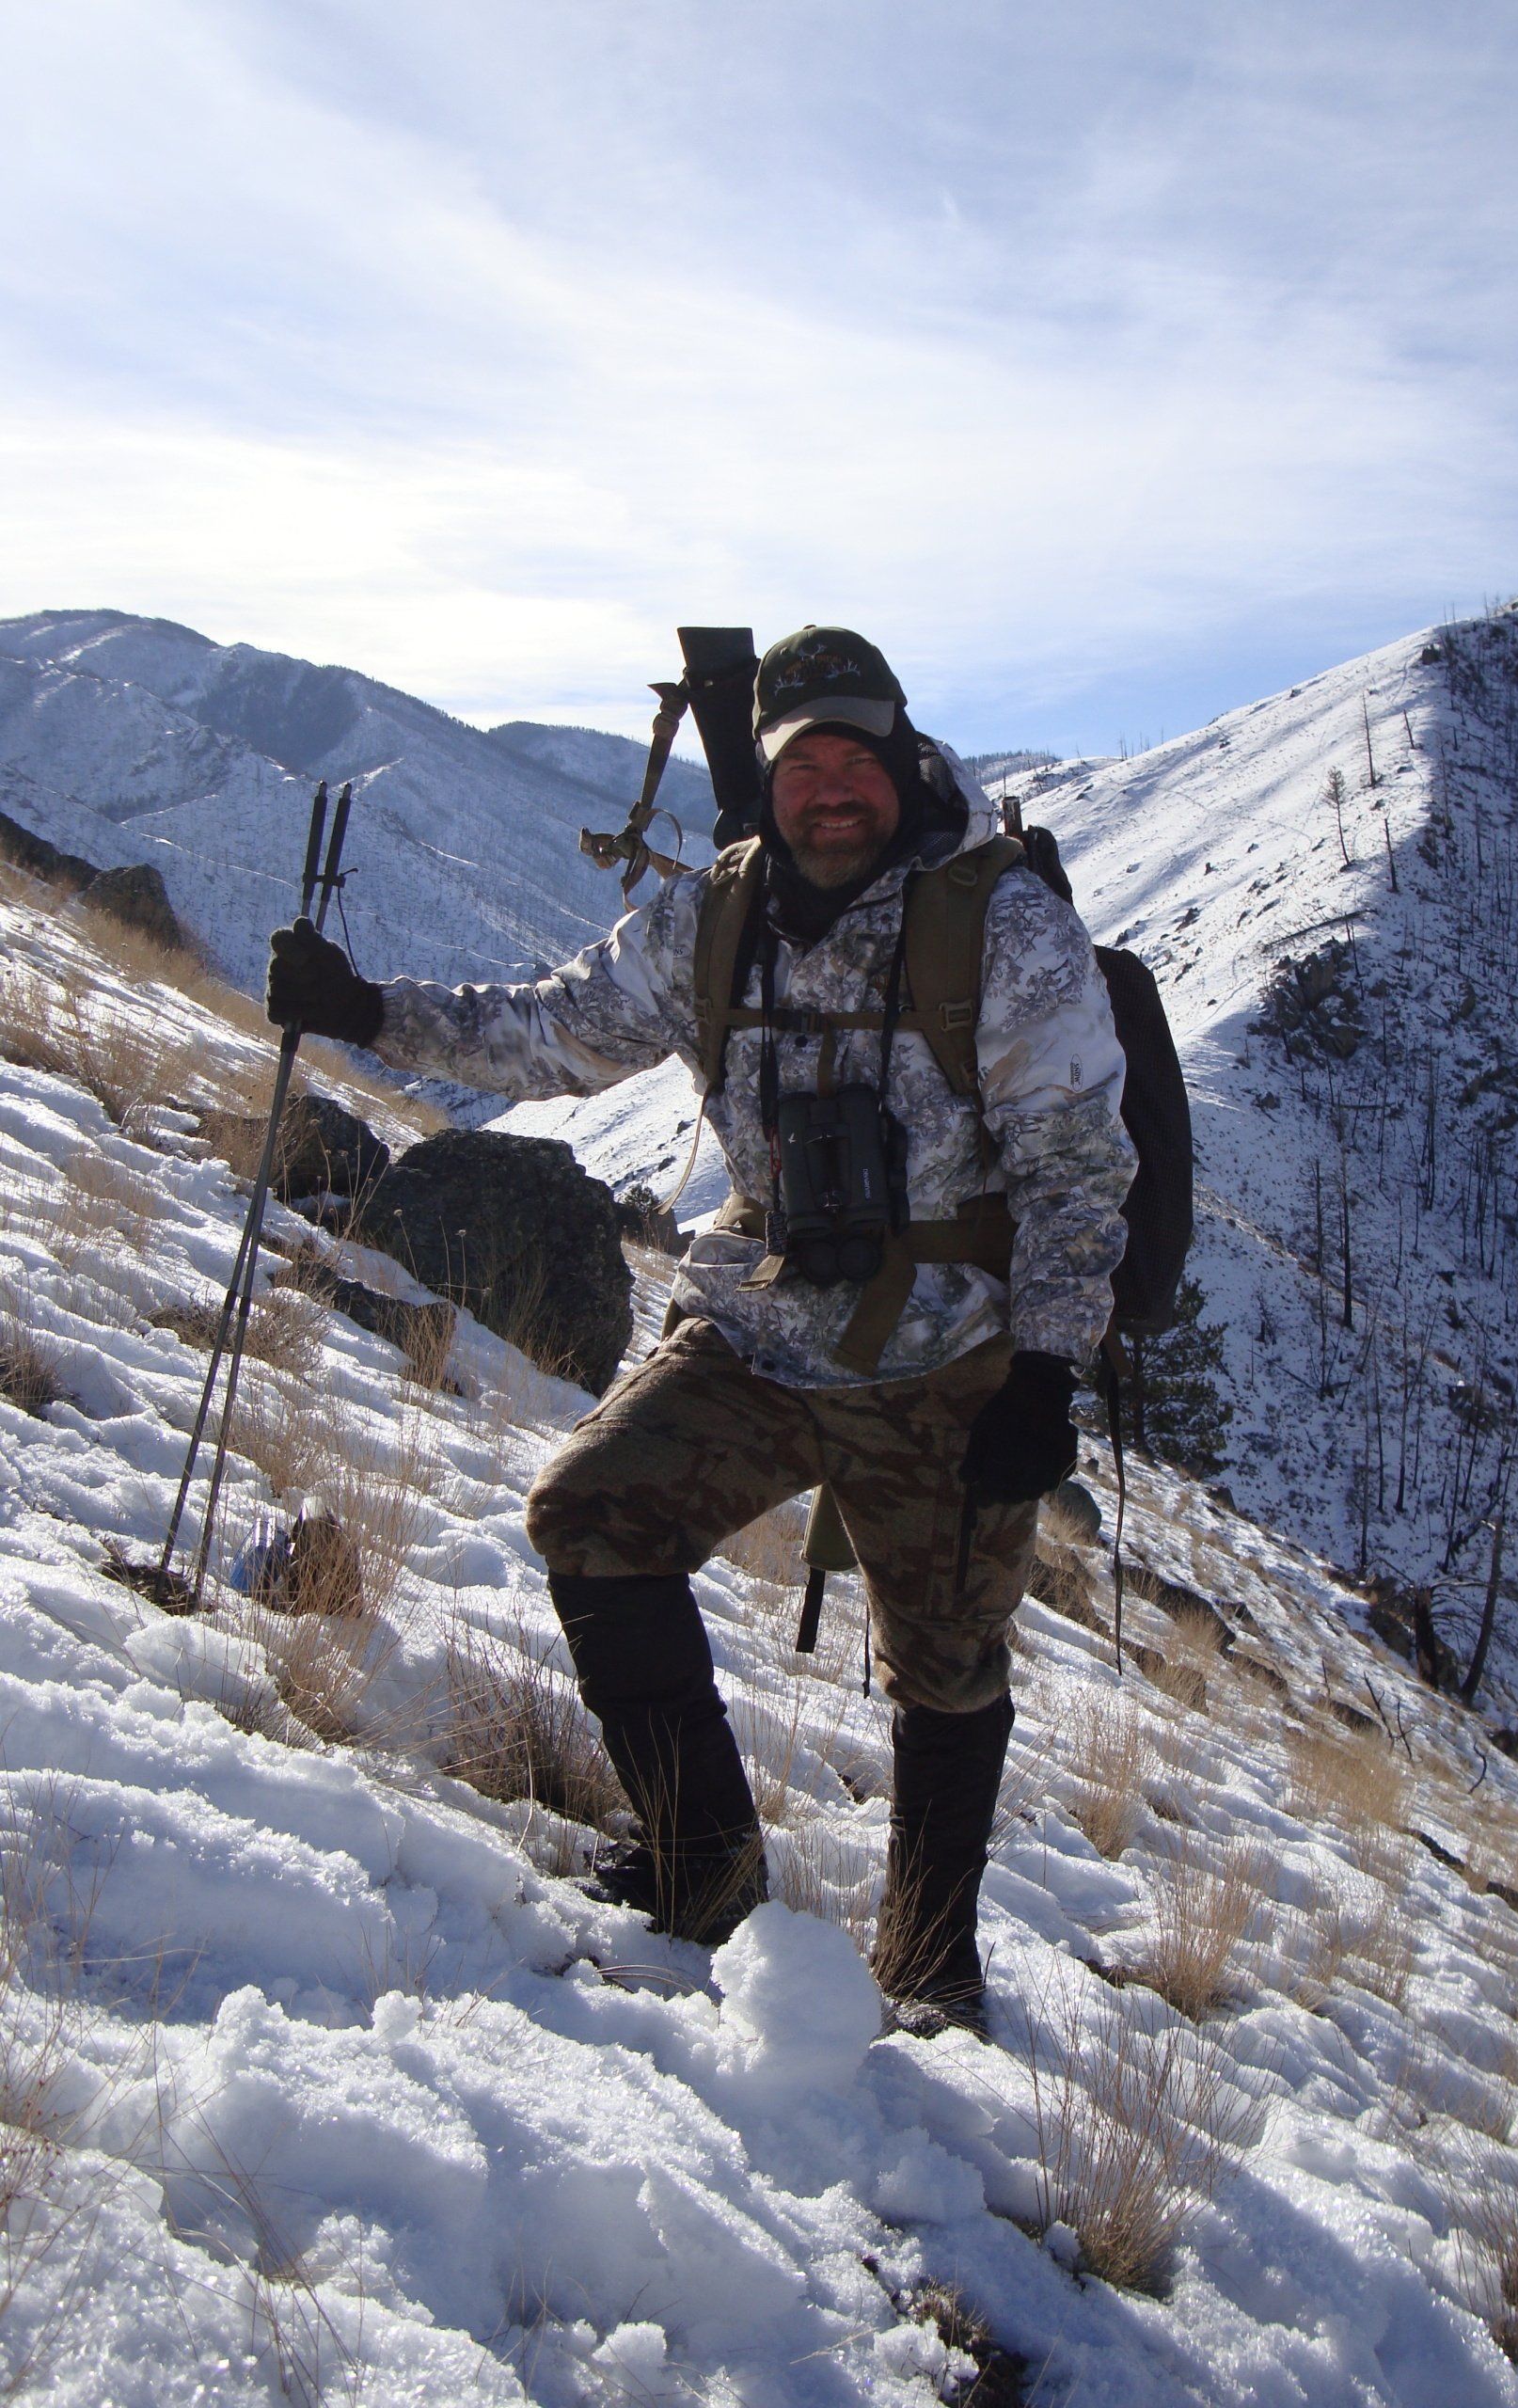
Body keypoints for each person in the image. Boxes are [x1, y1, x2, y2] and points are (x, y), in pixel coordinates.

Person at [267, 626, 1135, 2033]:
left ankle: (930, 1966)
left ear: (906, 761)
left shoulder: (1002, 928)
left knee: (946, 1664)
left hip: (952, 1357)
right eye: (806, 761)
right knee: (592, 1514)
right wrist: (368, 1009)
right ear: (774, 772)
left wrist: (1046, 1366)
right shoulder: (710, 919)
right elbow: (552, 1032)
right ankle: (702, 1870)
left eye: (860, 756)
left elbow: (1079, 1167)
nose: (833, 787)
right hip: (764, 1317)